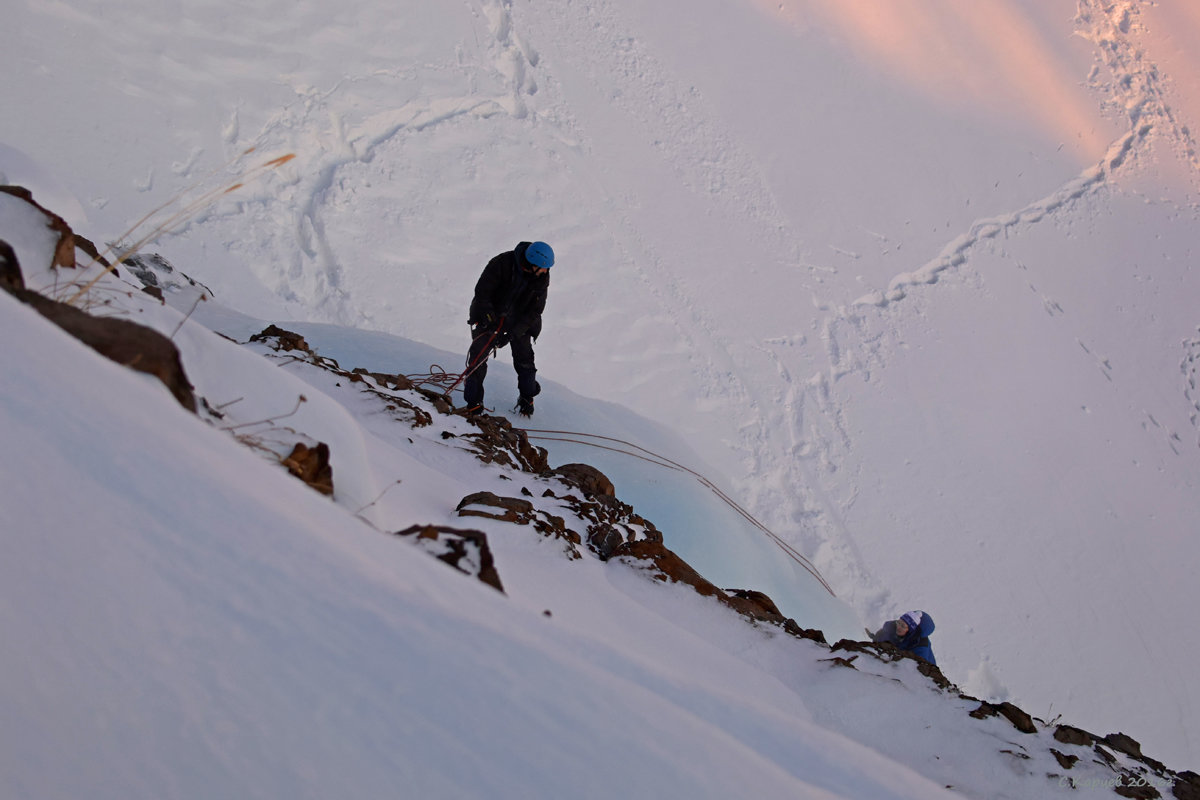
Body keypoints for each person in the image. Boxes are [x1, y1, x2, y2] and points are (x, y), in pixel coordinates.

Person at [462, 240, 554, 417]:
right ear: (532, 262)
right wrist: (491, 322)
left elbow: (534, 312)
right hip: (487, 315)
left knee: (525, 358)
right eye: (542, 268)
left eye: (547, 269)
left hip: (519, 321)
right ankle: (474, 404)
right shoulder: (502, 263)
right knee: (478, 357)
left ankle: (528, 397)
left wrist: (511, 334)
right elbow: (482, 293)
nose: (545, 272)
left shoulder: (541, 277)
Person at [871, 610, 937, 665]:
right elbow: (881, 637)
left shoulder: (920, 645)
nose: (899, 627)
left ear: (910, 630)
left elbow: (919, 668)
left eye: (903, 626)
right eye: (899, 622)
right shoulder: (891, 628)